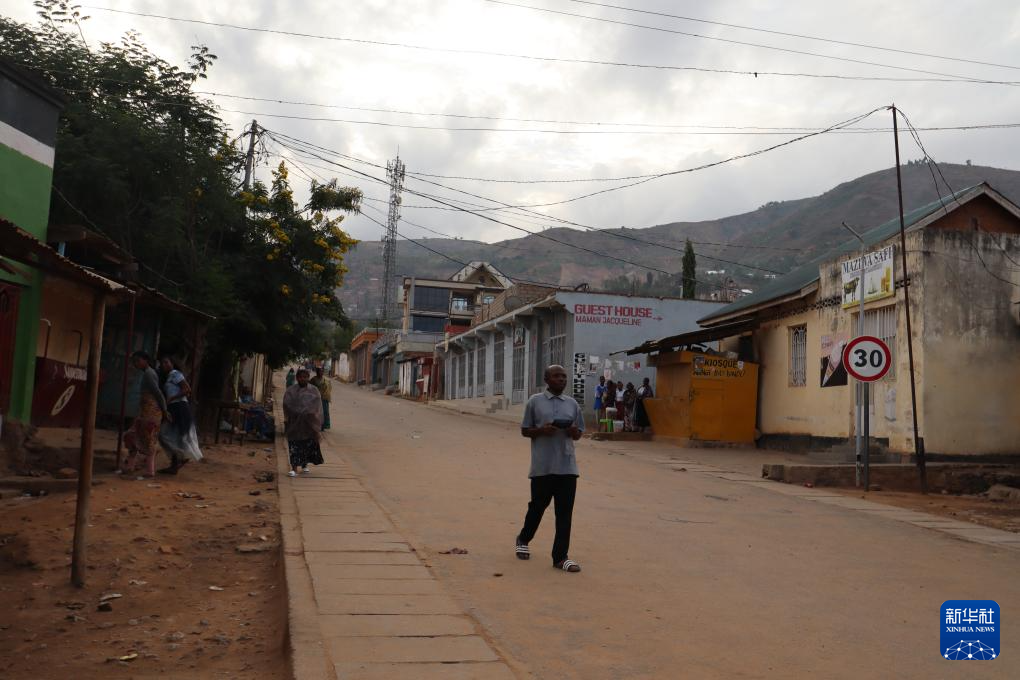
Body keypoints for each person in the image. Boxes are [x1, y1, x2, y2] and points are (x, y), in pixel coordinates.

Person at [515, 364, 585, 573]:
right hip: (543, 467)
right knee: (537, 507)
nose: (561, 379)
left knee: (564, 513)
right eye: (556, 376)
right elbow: (525, 430)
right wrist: (541, 430)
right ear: (546, 379)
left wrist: (573, 431)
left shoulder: (572, 404)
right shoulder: (535, 402)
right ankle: (523, 538)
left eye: (563, 376)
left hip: (567, 466)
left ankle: (560, 557)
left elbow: (579, 433)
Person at [119, 351, 169, 479]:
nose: (136, 364)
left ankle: (149, 471)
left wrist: (164, 410)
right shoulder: (148, 373)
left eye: (138, 360)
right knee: (134, 436)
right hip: (146, 411)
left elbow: (157, 393)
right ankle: (130, 466)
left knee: (147, 438)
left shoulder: (149, 374)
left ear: (145, 360)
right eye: (134, 361)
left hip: (151, 412)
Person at [157, 356, 203, 474]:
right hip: (173, 407)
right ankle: (175, 463)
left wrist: (171, 398)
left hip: (179, 407)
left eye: (166, 362)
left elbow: (187, 389)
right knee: (172, 435)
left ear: (172, 363)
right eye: (162, 363)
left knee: (164, 434)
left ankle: (181, 457)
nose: (164, 365)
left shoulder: (175, 374)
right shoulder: (168, 377)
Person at [282, 369, 324, 477]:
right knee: (294, 445)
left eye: (305, 377)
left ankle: (305, 465)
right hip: (294, 423)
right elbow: (286, 404)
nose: (303, 379)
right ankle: (294, 468)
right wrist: (296, 412)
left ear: (308, 378)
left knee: (307, 445)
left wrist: (309, 413)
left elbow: (317, 405)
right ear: (297, 378)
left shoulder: (314, 390)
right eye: (300, 377)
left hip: (309, 424)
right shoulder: (291, 390)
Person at [309, 367, 332, 431]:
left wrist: (326, 395)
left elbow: (329, 388)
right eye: (319, 371)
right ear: (317, 372)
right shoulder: (313, 380)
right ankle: (316, 425)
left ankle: (323, 426)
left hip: (324, 399)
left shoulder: (326, 380)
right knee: (316, 412)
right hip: (315, 399)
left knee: (324, 412)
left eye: (322, 371)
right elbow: (309, 388)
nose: (320, 373)